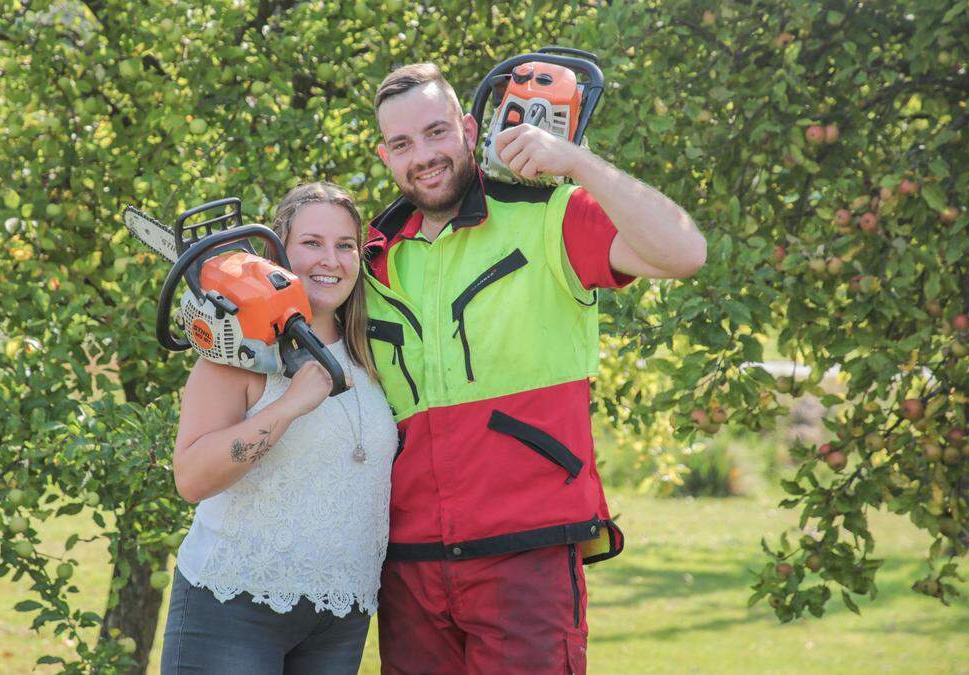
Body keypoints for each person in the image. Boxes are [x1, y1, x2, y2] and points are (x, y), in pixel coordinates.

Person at [362, 63, 707, 673]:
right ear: (385, 155)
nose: (423, 155)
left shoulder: (551, 216)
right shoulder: (369, 259)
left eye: (437, 132)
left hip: (527, 553)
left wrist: (576, 162)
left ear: (471, 130)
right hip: (409, 566)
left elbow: (684, 252)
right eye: (402, 143)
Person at [160, 182, 397, 674]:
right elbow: (192, 477)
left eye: (345, 245)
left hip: (340, 611)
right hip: (235, 604)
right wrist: (288, 406)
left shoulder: (375, 355)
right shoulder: (238, 349)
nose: (329, 259)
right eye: (311, 243)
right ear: (278, 255)